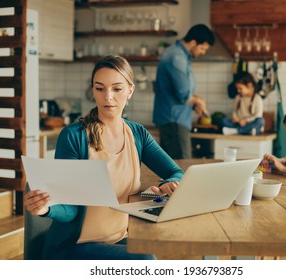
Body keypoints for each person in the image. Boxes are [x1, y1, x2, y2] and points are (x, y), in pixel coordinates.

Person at [24, 55, 184, 260]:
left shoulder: (138, 134)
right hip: (73, 247)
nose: (108, 97)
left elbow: (175, 172)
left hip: (118, 238)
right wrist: (46, 208)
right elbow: (70, 208)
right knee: (145, 261)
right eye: (100, 88)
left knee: (157, 254)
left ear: (130, 91)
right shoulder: (74, 137)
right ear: (93, 90)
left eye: (117, 89)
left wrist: (169, 183)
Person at [153, 24, 215, 159]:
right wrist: (199, 101)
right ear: (193, 43)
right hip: (174, 122)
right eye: (203, 48)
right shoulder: (177, 58)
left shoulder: (180, 55)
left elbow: (182, 92)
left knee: (174, 170)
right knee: (181, 169)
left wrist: (194, 104)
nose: (203, 53)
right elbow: (183, 94)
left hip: (174, 121)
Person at [222, 72, 265, 136]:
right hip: (238, 123)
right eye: (237, 89)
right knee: (223, 121)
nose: (238, 91)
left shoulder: (257, 99)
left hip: (250, 123)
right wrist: (235, 118)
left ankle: (236, 131)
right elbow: (234, 111)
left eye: (240, 88)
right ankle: (247, 131)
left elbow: (258, 115)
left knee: (260, 121)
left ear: (249, 85)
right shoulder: (238, 97)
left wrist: (246, 121)